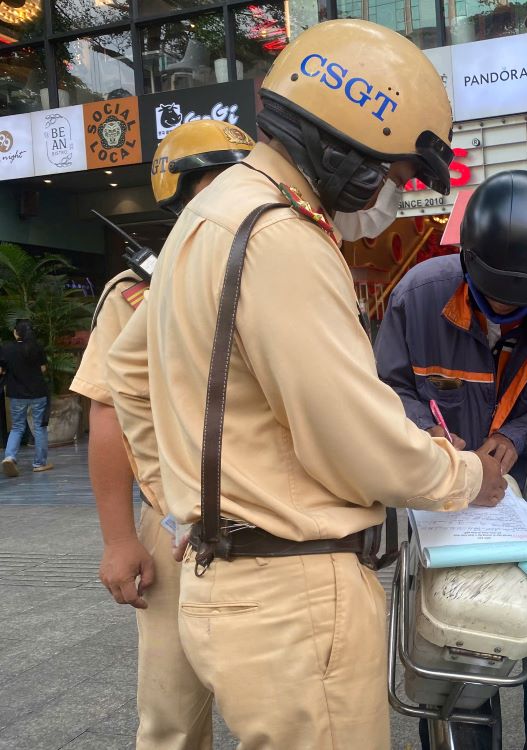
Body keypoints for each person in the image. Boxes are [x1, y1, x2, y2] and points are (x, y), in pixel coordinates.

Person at [106, 19, 506, 748]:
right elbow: (357, 440)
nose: (389, 193)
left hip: (227, 584)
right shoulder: (280, 237)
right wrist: (467, 474)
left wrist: (186, 503)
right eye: (390, 173)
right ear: (343, 150)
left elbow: (128, 376)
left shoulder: (209, 213)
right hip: (296, 600)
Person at [69, 118, 255, 750]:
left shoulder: (271, 265)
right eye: (207, 184)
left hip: (273, 519)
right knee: (173, 716)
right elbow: (106, 411)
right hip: (175, 521)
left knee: (289, 711)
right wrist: (120, 540)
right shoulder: (138, 293)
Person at [375, 170, 527, 527]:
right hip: (443, 501)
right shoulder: (417, 298)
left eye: (520, 303)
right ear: (469, 260)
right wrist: (427, 430)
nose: (505, 310)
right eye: (494, 297)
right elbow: (388, 388)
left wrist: (515, 436)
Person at [1, 320, 51, 476]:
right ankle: (39, 463)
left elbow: (1, 370)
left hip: (17, 394)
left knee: (17, 427)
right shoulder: (37, 347)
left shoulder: (7, 349)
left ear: (16, 333)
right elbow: (43, 369)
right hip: (38, 392)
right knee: (39, 427)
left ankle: (10, 456)